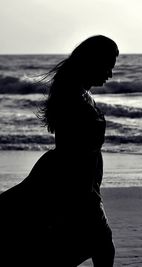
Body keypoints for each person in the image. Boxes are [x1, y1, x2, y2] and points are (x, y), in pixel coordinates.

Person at [0, 35, 119, 266]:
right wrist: (86, 191)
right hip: (74, 178)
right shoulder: (73, 96)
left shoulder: (78, 92)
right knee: (99, 245)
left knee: (88, 245)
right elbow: (74, 150)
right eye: (108, 66)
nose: (110, 74)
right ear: (93, 61)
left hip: (76, 177)